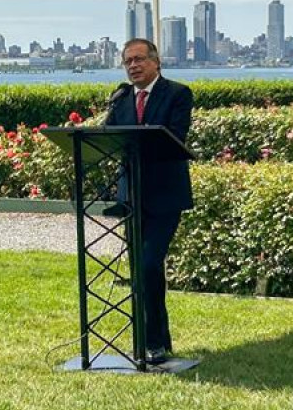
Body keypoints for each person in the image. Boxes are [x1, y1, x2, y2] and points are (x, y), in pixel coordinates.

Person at [104, 38, 194, 365]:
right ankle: (154, 341)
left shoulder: (177, 94)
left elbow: (174, 137)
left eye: (139, 59)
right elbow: (108, 139)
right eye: (127, 61)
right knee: (142, 272)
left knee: (149, 265)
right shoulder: (121, 99)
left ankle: (152, 339)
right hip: (132, 197)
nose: (133, 66)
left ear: (156, 62)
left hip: (165, 196)